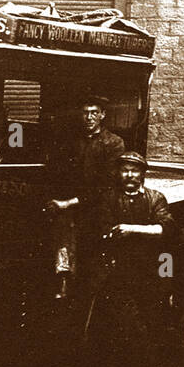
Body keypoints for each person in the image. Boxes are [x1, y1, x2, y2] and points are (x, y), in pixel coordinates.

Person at [93, 152, 178, 367]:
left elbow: (167, 229)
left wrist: (132, 230)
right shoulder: (109, 198)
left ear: (143, 174)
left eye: (134, 170)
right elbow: (105, 231)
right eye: (125, 170)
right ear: (118, 174)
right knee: (128, 326)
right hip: (119, 273)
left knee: (156, 323)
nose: (129, 175)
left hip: (151, 272)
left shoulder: (155, 198)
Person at [47, 96, 125, 298]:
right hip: (73, 204)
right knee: (62, 228)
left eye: (94, 113)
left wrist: (69, 203)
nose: (89, 117)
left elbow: (107, 184)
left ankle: (95, 292)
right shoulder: (73, 141)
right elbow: (62, 172)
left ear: (102, 115)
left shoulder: (114, 143)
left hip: (100, 206)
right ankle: (63, 280)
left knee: (94, 250)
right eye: (85, 113)